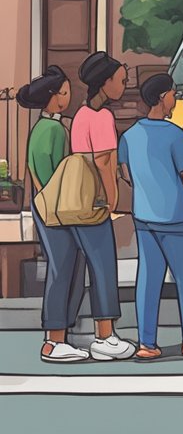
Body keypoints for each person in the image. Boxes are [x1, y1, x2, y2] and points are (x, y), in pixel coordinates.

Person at [119, 74, 183, 360]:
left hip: (144, 219)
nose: (174, 99)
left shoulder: (129, 136)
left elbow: (125, 174)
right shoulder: (176, 135)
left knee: (148, 281)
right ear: (160, 98)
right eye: (172, 94)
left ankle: (147, 344)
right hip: (175, 220)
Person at [66, 52, 137, 360]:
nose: (123, 86)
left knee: (81, 268)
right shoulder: (103, 117)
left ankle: (70, 335)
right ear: (106, 83)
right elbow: (104, 161)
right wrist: (112, 200)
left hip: (76, 200)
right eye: (121, 81)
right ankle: (104, 336)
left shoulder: (81, 115)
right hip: (96, 201)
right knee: (104, 267)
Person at [18, 67, 89, 362]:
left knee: (65, 267)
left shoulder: (43, 128)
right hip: (57, 207)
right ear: (54, 97)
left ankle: (58, 337)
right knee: (64, 269)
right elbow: (59, 176)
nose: (69, 96)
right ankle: (55, 339)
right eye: (64, 92)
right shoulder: (55, 131)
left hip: (45, 205)